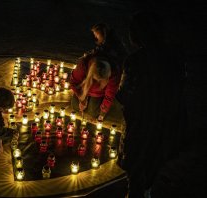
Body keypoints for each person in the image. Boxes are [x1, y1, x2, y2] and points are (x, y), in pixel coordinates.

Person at [116, 11, 187, 198]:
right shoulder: (175, 58)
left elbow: (124, 96)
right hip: (168, 124)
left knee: (137, 170)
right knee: (154, 164)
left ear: (138, 34)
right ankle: (148, 191)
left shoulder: (135, 61)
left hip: (142, 126)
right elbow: (180, 90)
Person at [70, 54, 123, 123]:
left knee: (93, 113)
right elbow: (73, 82)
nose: (98, 84)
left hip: (99, 94)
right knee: (75, 106)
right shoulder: (83, 65)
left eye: (102, 81)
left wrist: (102, 113)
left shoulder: (114, 72)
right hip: (83, 89)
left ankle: (97, 103)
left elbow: (110, 94)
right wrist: (81, 99)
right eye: (95, 80)